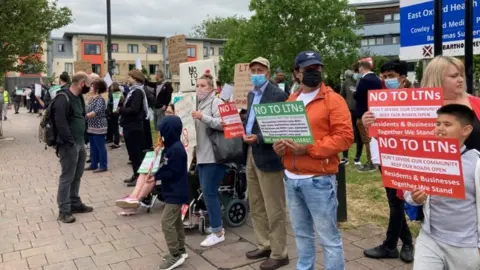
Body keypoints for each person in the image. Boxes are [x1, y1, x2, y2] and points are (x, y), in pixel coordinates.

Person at [273, 51, 352, 270]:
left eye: (317, 68)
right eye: (307, 69)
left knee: (329, 239)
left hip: (319, 179)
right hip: (291, 178)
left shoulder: (333, 100)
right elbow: (282, 136)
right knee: (301, 235)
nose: (314, 72)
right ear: (296, 73)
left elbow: (345, 137)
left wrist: (308, 149)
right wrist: (279, 147)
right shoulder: (290, 101)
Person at [405, 104, 480, 270]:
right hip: (430, 238)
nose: (439, 128)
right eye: (438, 123)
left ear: (466, 130)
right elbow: (409, 193)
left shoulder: (476, 163)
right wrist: (415, 197)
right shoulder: (424, 158)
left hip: (465, 245)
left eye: (447, 124)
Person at [363, 56, 480, 152]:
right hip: (436, 175)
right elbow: (395, 140)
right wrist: (371, 124)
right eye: (454, 76)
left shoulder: (476, 103)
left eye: (461, 75)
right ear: (437, 78)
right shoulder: (417, 106)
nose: (461, 79)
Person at [362, 60, 414, 263]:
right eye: (384, 76)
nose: (386, 80)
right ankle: (406, 243)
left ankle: (392, 245)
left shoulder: (415, 100)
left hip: (405, 158)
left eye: (391, 75)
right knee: (393, 199)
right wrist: (367, 122)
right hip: (385, 156)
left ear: (402, 78)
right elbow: (374, 130)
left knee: (396, 200)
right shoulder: (380, 100)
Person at [243, 57, 289, 270]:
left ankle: (280, 253)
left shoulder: (278, 95)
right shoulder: (251, 94)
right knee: (256, 203)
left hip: (270, 157)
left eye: (259, 70)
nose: (255, 73)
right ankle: (265, 244)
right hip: (252, 153)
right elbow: (252, 121)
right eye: (253, 70)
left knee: (274, 206)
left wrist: (259, 138)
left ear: (268, 73)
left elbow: (281, 128)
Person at [115, 104, 175, 211]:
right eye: (167, 112)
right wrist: (158, 148)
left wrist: (161, 149)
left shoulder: (176, 127)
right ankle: (133, 197)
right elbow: (158, 143)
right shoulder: (163, 127)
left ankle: (137, 200)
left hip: (169, 158)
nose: (167, 115)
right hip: (159, 155)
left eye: (170, 113)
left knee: (151, 174)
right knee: (144, 170)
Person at [52, 72, 94, 223]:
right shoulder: (63, 98)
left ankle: (75, 203)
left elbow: (81, 116)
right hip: (69, 145)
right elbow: (60, 123)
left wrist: (84, 137)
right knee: (67, 176)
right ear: (82, 83)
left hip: (80, 142)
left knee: (77, 175)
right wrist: (70, 142)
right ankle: (64, 210)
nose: (90, 87)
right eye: (89, 84)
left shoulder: (79, 98)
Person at [192, 70, 227, 247]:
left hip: (214, 156)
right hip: (202, 155)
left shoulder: (216, 102)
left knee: (209, 193)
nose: (199, 88)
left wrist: (203, 117)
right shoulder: (198, 103)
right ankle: (216, 224)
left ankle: (218, 232)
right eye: (197, 86)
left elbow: (224, 123)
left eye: (203, 85)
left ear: (211, 87)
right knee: (207, 192)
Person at [151, 115, 189, 270]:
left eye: (161, 131)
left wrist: (156, 176)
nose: (159, 135)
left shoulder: (176, 150)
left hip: (176, 193)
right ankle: (181, 249)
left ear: (169, 131)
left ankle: (175, 255)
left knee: (166, 222)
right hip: (172, 191)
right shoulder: (171, 147)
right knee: (176, 221)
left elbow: (171, 172)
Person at [120, 69, 148, 186]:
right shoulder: (133, 91)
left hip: (134, 126)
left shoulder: (137, 92)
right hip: (130, 126)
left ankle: (140, 177)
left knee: (136, 153)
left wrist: (120, 110)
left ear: (135, 78)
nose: (128, 79)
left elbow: (134, 109)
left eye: (130, 77)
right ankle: (136, 174)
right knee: (132, 153)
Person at [85, 79, 109, 173]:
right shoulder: (91, 99)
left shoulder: (100, 99)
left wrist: (86, 116)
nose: (90, 88)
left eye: (92, 86)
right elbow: (87, 109)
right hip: (91, 126)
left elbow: (97, 111)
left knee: (100, 146)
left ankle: (103, 165)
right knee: (93, 146)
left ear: (97, 89)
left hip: (99, 126)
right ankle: (93, 164)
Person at [340, 69, 362, 165]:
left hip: (359, 111)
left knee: (359, 134)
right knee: (346, 133)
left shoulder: (361, 82)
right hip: (348, 111)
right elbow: (341, 96)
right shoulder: (346, 83)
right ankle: (345, 157)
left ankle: (358, 158)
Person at [106, 82, 123, 149]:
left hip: (114, 113)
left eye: (112, 86)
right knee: (113, 127)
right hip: (111, 113)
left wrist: (112, 112)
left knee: (115, 128)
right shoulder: (113, 94)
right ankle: (114, 140)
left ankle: (116, 142)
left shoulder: (117, 94)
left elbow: (116, 105)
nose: (111, 88)